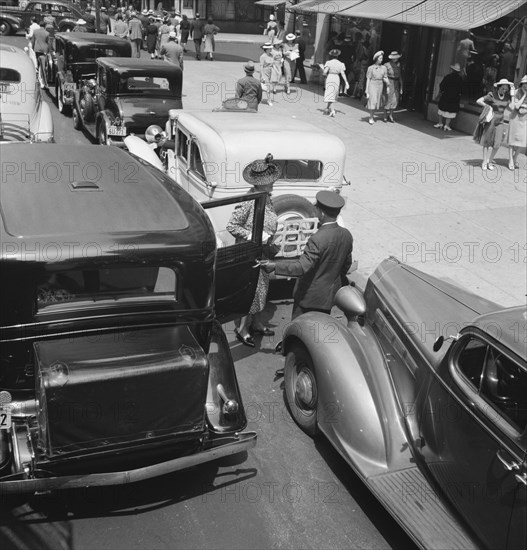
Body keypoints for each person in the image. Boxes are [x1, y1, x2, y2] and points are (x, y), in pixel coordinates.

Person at [263, 191, 353, 320]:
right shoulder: (346, 235)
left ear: (321, 213)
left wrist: (274, 266)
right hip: (328, 298)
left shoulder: (317, 239)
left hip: (309, 298)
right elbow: (346, 265)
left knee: (298, 331)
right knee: (319, 331)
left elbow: (301, 267)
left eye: (316, 209)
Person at [227, 155, 280, 347]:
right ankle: (242, 329)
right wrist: (255, 236)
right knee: (249, 291)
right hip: (249, 254)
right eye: (269, 181)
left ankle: (256, 323)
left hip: (262, 252)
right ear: (259, 184)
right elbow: (232, 226)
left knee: (262, 289)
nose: (273, 183)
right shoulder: (250, 201)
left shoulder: (266, 198)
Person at [474, 78, 514, 171]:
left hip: (500, 121)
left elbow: (512, 108)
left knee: (497, 144)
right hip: (491, 120)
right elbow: (478, 100)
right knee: (487, 142)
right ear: (498, 87)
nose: (504, 90)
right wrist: (488, 106)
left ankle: (490, 161)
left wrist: (512, 94)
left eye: (506, 89)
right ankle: (484, 161)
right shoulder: (492, 95)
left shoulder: (508, 97)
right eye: (502, 88)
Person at [434, 63, 463, 131]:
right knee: (451, 111)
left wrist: (442, 92)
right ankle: (446, 125)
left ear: (452, 70)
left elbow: (442, 85)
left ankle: (440, 123)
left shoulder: (448, 76)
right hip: (454, 97)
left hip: (446, 95)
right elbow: (461, 89)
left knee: (441, 109)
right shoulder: (460, 79)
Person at [507, 75, 527, 170]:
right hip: (515, 117)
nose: (526, 86)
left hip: (525, 119)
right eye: (525, 84)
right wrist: (524, 95)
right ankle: (511, 159)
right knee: (512, 139)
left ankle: (515, 158)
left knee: (523, 141)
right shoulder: (516, 92)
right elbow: (516, 106)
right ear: (522, 84)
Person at [322, 48, 349, 117]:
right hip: (337, 78)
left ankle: (332, 110)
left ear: (331, 55)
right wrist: (346, 82)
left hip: (330, 77)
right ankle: (327, 108)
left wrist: (323, 70)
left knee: (329, 94)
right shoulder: (341, 64)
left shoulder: (328, 63)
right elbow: (343, 73)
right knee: (333, 94)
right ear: (337, 56)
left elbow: (324, 72)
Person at [366, 50, 389, 124]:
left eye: (382, 58)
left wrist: (388, 85)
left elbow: (385, 77)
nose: (381, 60)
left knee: (377, 102)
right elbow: (368, 79)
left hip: (380, 84)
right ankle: (371, 117)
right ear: (376, 59)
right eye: (380, 58)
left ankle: (372, 115)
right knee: (373, 100)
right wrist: (366, 90)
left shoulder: (384, 68)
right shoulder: (371, 68)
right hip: (373, 83)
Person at [383, 51, 403, 122]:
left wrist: (401, 87)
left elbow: (400, 76)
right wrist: (386, 84)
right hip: (389, 82)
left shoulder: (398, 65)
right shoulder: (387, 65)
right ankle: (385, 115)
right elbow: (384, 75)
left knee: (395, 99)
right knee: (388, 98)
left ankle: (391, 115)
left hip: (396, 83)